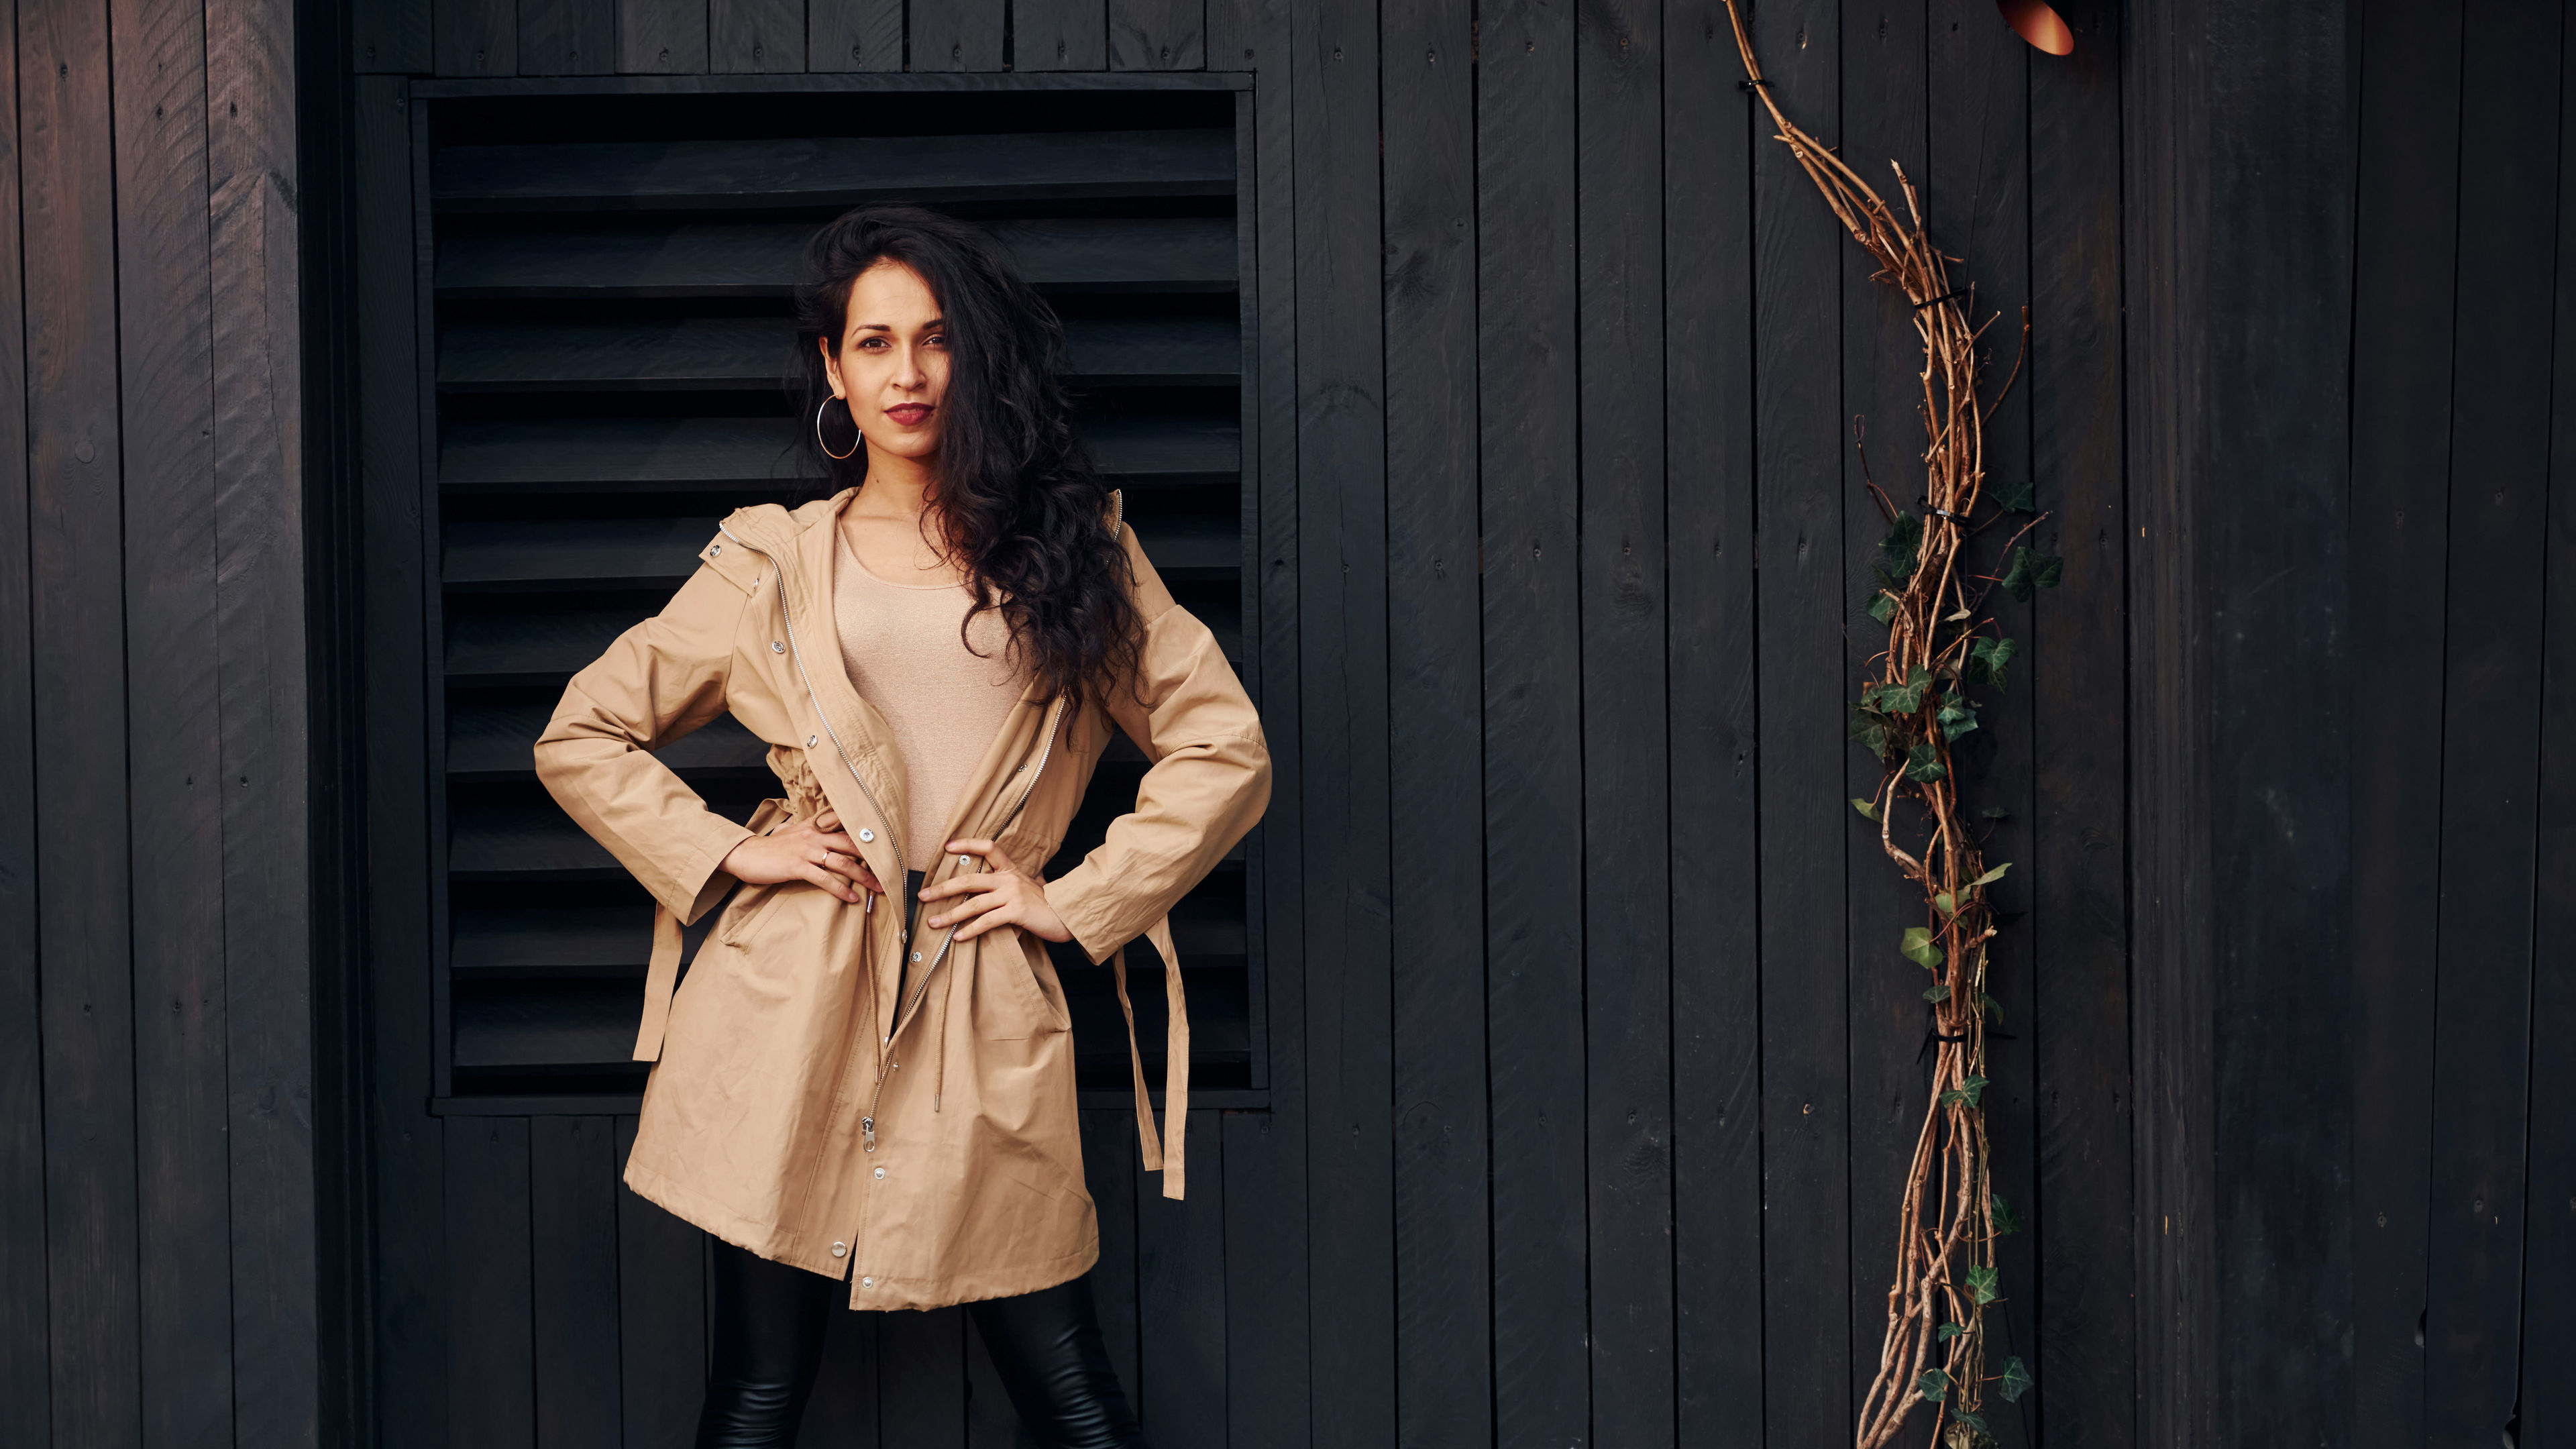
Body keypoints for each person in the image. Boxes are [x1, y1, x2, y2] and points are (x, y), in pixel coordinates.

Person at [533, 203, 1270, 1448]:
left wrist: (1073, 897)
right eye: (873, 344)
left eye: (935, 341)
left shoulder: (1078, 549)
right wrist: (732, 850)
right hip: (791, 1003)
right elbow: (582, 733)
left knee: (1073, 1395)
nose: (908, 373)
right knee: (757, 1396)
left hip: (982, 993)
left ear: (974, 358)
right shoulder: (772, 560)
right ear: (833, 369)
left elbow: (1223, 746)